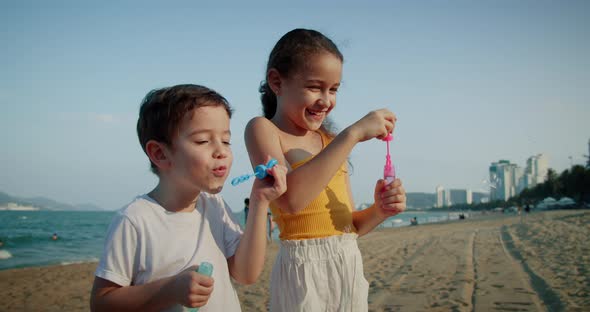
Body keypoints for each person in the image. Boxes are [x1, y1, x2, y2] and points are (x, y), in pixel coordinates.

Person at [245, 29, 407, 311]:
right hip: (304, 272)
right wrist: (353, 134)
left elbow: (350, 225)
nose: (326, 100)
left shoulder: (330, 143)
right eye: (314, 87)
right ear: (276, 82)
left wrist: (380, 211)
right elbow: (290, 200)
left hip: (348, 263)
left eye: (333, 89)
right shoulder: (263, 130)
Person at [90, 84, 287, 312]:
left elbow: (246, 274)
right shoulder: (135, 220)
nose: (221, 151)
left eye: (225, 140)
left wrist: (259, 202)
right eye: (203, 141)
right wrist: (170, 289)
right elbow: (101, 303)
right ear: (160, 154)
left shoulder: (214, 206)